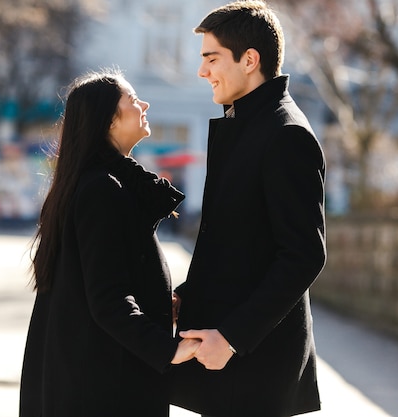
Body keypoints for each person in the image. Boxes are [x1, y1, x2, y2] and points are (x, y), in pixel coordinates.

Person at [170, 1, 327, 416]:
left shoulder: (285, 134)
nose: (203, 72)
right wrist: (188, 297)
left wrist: (233, 337)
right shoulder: (248, 125)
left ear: (250, 60)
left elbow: (303, 255)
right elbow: (239, 243)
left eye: (212, 58)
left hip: (256, 369)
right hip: (234, 364)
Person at [19, 69, 200, 417]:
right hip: (100, 387)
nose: (144, 104)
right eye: (132, 100)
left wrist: (161, 300)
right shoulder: (102, 189)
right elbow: (107, 299)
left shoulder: (98, 183)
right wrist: (170, 349)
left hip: (91, 377)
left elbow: (103, 279)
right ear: (107, 120)